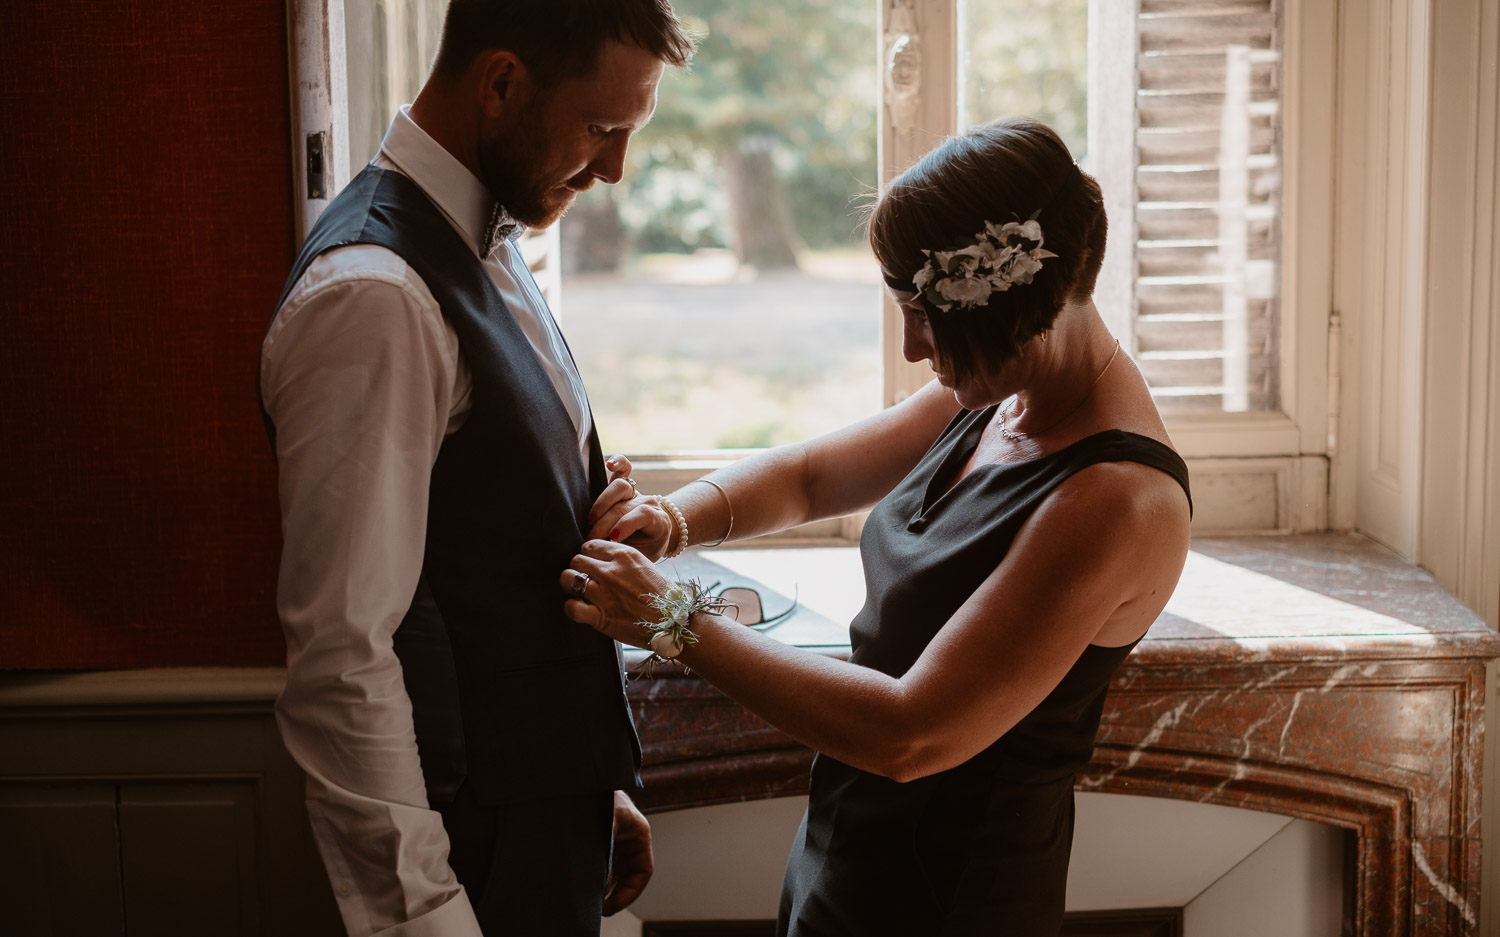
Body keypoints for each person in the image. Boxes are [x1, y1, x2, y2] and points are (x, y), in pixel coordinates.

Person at [562, 117, 1193, 935]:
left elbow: (911, 731)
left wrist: (671, 618)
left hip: (953, 902)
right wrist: (671, 519)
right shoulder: (1004, 389)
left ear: (1007, 298)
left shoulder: (1118, 500)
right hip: (848, 859)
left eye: (925, 315)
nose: (909, 345)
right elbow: (810, 474)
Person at [258, 3, 696, 934]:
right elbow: (343, 656)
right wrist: (424, 915)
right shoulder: (374, 297)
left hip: (544, 817)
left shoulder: (481, 237)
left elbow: (487, 541)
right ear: (500, 84)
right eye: (600, 129)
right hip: (464, 861)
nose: (616, 170)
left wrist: (583, 787)